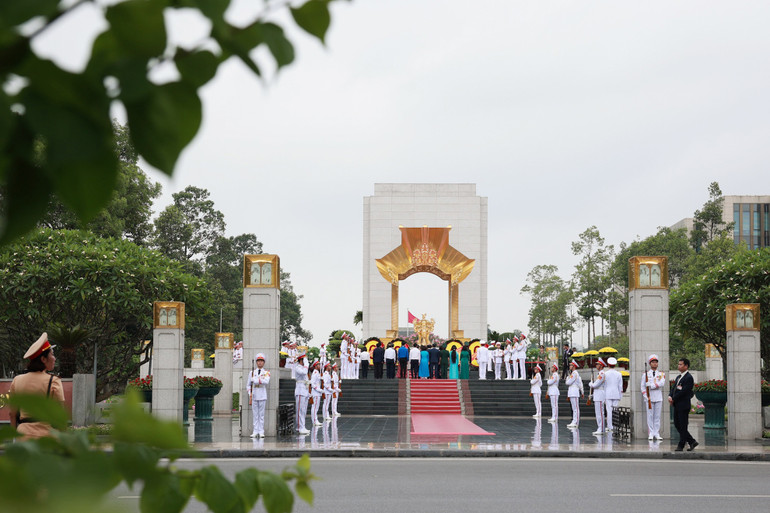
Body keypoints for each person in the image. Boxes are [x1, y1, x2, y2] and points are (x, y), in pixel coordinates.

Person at [9, 333, 65, 440]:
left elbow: (12, 413)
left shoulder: (17, 380)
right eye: (52, 354)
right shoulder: (53, 381)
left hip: (23, 437)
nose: (55, 358)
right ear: (43, 359)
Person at [669, 357, 698, 451]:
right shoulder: (679, 377)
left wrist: (673, 398)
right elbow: (673, 388)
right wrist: (670, 396)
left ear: (686, 366)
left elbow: (684, 391)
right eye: (678, 364)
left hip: (683, 405)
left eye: (681, 364)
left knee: (683, 425)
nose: (679, 366)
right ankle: (692, 441)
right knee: (677, 424)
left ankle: (681, 445)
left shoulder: (689, 378)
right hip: (677, 405)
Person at [641, 354, 665, 441]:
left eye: (656, 362)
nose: (654, 364)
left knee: (657, 416)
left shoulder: (661, 374)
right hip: (649, 397)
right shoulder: (645, 374)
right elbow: (642, 387)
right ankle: (651, 433)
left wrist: (651, 385)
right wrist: (645, 396)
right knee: (650, 416)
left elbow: (662, 383)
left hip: (658, 397)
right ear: (650, 364)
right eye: (653, 362)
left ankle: (656, 433)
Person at [247, 353, 270, 438]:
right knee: (255, 414)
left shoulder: (266, 372)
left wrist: (256, 380)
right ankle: (255, 430)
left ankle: (261, 431)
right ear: (256, 362)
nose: (260, 363)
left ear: (264, 362)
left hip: (262, 394)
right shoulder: (252, 372)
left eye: (261, 361)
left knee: (261, 414)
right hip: (254, 395)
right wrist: (250, 394)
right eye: (258, 361)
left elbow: (266, 381)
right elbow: (248, 385)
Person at [603, 357, 623, 432]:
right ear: (615, 365)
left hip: (608, 393)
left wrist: (604, 396)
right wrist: (620, 396)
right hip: (616, 394)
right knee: (615, 411)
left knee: (609, 410)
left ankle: (609, 426)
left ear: (608, 365)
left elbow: (604, 385)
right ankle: (615, 425)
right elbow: (620, 386)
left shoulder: (605, 374)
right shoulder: (619, 374)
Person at [588, 358, 607, 435]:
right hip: (597, 394)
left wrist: (590, 384)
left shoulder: (602, 374)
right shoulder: (599, 373)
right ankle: (599, 427)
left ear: (601, 365)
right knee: (598, 413)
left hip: (600, 394)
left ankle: (601, 428)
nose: (596, 365)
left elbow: (595, 385)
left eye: (598, 364)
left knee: (600, 413)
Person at [294, 352, 310, 435]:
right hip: (300, 390)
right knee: (300, 410)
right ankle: (299, 427)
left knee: (303, 410)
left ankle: (302, 426)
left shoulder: (303, 367)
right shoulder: (298, 367)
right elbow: (304, 372)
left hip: (304, 390)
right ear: (301, 360)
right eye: (305, 360)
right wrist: (306, 365)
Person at [565, 360, 583, 429]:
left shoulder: (575, 373)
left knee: (576, 408)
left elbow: (568, 382)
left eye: (571, 365)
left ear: (574, 366)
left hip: (574, 391)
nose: (570, 366)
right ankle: (574, 421)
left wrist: (568, 380)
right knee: (574, 408)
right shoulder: (573, 373)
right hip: (572, 391)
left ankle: (576, 422)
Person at [309, 361, 323, 426]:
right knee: (314, 407)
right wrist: (319, 389)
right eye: (318, 365)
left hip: (317, 392)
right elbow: (312, 383)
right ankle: (314, 420)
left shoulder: (317, 372)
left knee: (316, 407)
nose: (319, 366)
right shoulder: (315, 373)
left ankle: (315, 419)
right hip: (316, 392)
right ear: (315, 366)